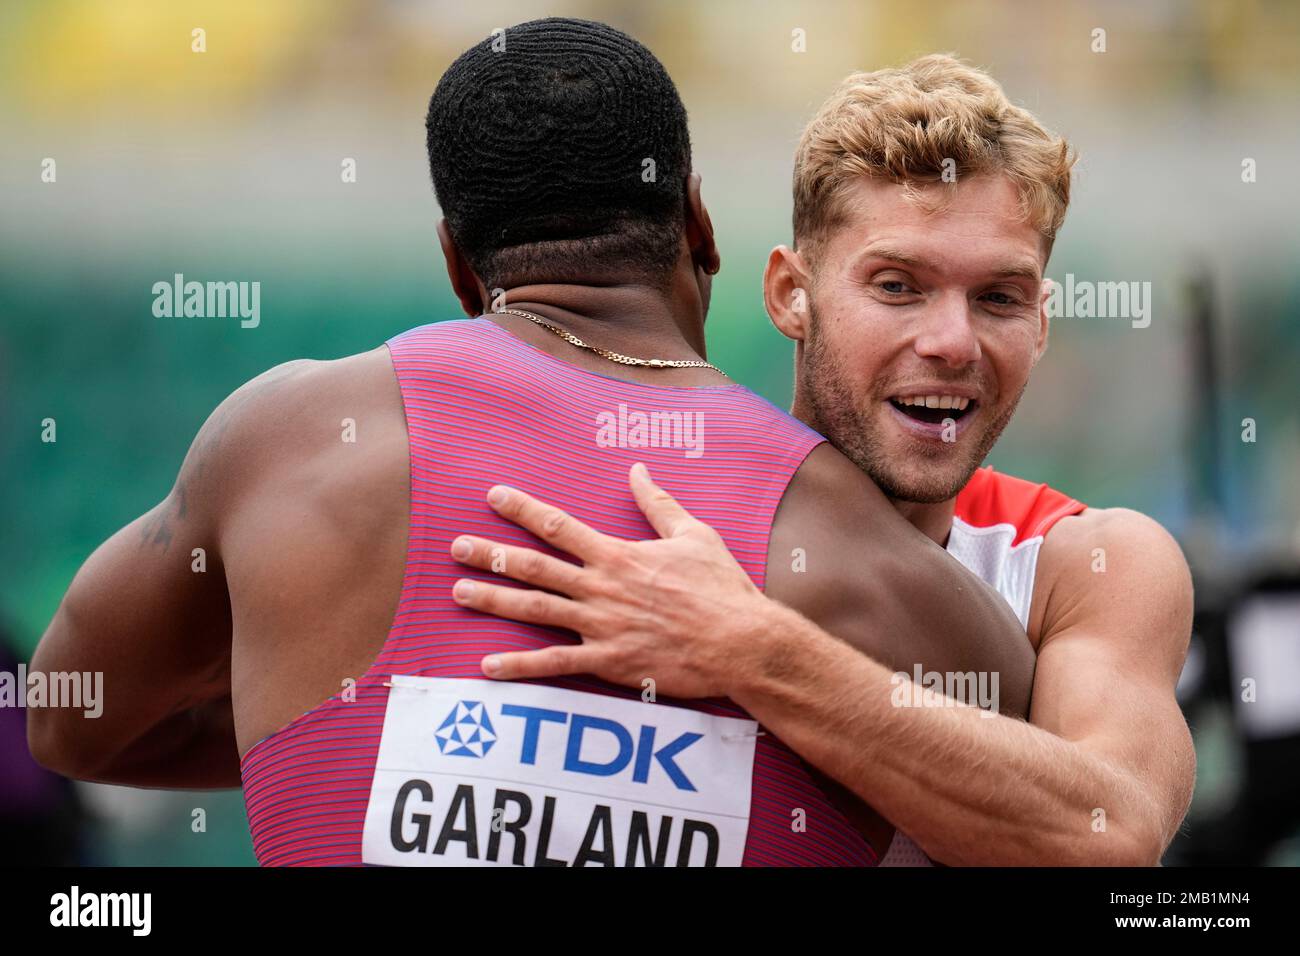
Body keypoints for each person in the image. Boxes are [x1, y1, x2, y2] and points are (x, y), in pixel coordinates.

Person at [27, 20, 1034, 866]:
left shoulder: (281, 441)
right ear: (699, 222)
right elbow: (1067, 825)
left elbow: (70, 719)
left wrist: (334, 723)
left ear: (459, 266)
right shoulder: (895, 578)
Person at [447, 55, 1197, 866]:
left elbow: (1113, 839)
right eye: (898, 286)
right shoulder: (653, 518)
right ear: (788, 294)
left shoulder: (1086, 564)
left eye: (999, 299)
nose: (952, 342)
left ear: (1042, 324)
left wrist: (755, 651)